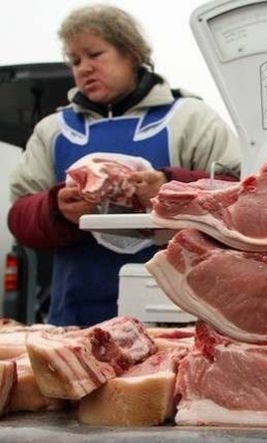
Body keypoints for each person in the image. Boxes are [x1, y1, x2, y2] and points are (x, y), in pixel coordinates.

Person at [7, 4, 242, 327]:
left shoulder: (189, 118)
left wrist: (169, 186)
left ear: (131, 53)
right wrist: (56, 210)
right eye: (75, 61)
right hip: (76, 318)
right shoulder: (54, 131)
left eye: (95, 54)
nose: (84, 68)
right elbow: (19, 215)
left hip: (174, 317)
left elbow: (238, 194)